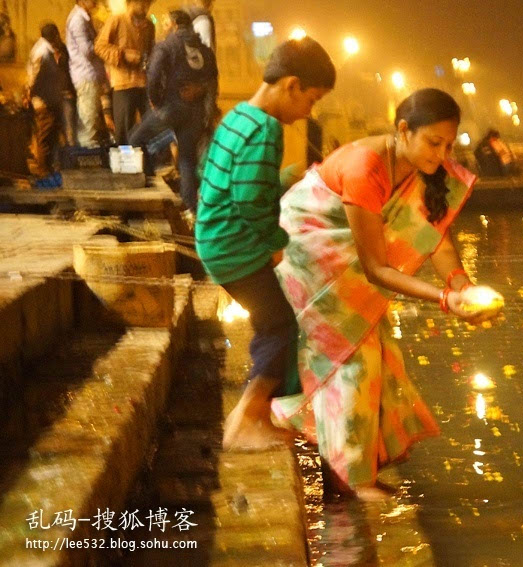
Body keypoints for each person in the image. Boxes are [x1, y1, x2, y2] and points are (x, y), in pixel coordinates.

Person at [270, 88, 503, 500]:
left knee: (377, 351)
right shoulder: (366, 167)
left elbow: (435, 240)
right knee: (355, 361)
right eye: (434, 142)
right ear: (403, 130)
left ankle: (351, 468)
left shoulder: (427, 170)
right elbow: (375, 268)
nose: (441, 154)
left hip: (356, 263)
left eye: (448, 145)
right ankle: (353, 481)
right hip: (311, 250)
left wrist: (461, 285)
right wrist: (446, 302)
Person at [195, 37, 335, 450]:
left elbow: (228, 177)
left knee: (270, 320)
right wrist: (276, 242)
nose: (309, 111)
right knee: (280, 326)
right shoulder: (266, 128)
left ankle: (258, 414)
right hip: (235, 247)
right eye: (311, 99)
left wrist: (283, 179)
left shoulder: (239, 116)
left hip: (213, 240)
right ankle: (245, 421)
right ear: (291, 85)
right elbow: (250, 199)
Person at [129, 10, 217, 212]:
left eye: (166, 22)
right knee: (187, 160)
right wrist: (205, 108)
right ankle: (191, 210)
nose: (164, 25)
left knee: (134, 139)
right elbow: (212, 80)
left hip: (170, 107)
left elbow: (153, 74)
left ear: (176, 24)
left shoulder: (166, 46)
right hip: (195, 112)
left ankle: (141, 192)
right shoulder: (204, 50)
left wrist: (155, 101)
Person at [95, 0, 155, 145]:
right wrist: (123, 55)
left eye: (148, 4)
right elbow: (99, 47)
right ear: (131, 3)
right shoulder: (116, 20)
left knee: (149, 127)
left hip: (143, 82)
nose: (145, 7)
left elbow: (151, 51)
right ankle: (124, 164)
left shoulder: (149, 26)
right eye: (142, 3)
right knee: (123, 131)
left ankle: (146, 163)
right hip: (123, 83)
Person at [67, 0, 109, 148]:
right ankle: (87, 158)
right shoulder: (78, 20)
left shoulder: (85, 18)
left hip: (91, 74)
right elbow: (87, 50)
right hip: (86, 75)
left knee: (93, 119)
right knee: (88, 120)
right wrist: (103, 44)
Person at [25, 24, 66, 178]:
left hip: (48, 100)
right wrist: (36, 96)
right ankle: (43, 172)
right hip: (44, 102)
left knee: (49, 136)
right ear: (54, 35)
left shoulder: (43, 49)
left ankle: (48, 170)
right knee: (44, 137)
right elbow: (35, 77)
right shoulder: (42, 52)